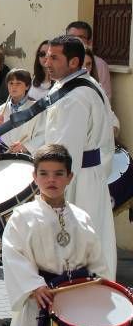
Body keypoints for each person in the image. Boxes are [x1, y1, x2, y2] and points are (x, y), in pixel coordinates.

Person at [0, 144, 111, 326]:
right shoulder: (22, 217)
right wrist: (34, 286)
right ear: (34, 176)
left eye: (59, 174)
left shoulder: (82, 217)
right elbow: (13, 255)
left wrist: (101, 288)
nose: (52, 180)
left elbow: (97, 260)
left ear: (70, 177)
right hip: (41, 303)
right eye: (45, 173)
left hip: (76, 308)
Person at [42, 35, 116, 278]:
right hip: (85, 175)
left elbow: (64, 150)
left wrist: (46, 185)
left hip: (77, 180)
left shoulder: (76, 97)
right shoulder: (75, 84)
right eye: (46, 56)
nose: (47, 62)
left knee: (78, 245)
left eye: (54, 57)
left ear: (74, 62)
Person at [0, 69, 45, 154]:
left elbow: (43, 135)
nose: (13, 87)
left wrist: (26, 146)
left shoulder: (37, 109)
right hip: (5, 158)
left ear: (27, 86)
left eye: (18, 83)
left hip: (27, 158)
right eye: (11, 83)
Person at [66, 21, 112, 100]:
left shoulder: (99, 65)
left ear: (89, 42)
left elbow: (105, 97)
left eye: (80, 37)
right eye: (71, 37)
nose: (75, 41)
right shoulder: (57, 61)